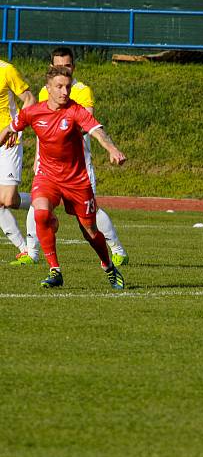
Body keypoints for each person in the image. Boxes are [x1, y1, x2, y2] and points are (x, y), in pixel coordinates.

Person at [0, 65, 127, 289]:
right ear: (48, 88)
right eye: (59, 87)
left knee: (89, 230)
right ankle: (55, 270)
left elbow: (97, 131)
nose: (65, 92)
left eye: (67, 87)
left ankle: (107, 265)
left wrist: (112, 149)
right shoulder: (33, 112)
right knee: (40, 213)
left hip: (77, 180)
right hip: (47, 176)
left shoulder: (75, 111)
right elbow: (10, 128)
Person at [0, 59, 36, 261]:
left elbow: (29, 99)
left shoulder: (6, 70)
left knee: (8, 200)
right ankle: (24, 250)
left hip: (8, 141)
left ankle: (41, 201)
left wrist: (16, 126)